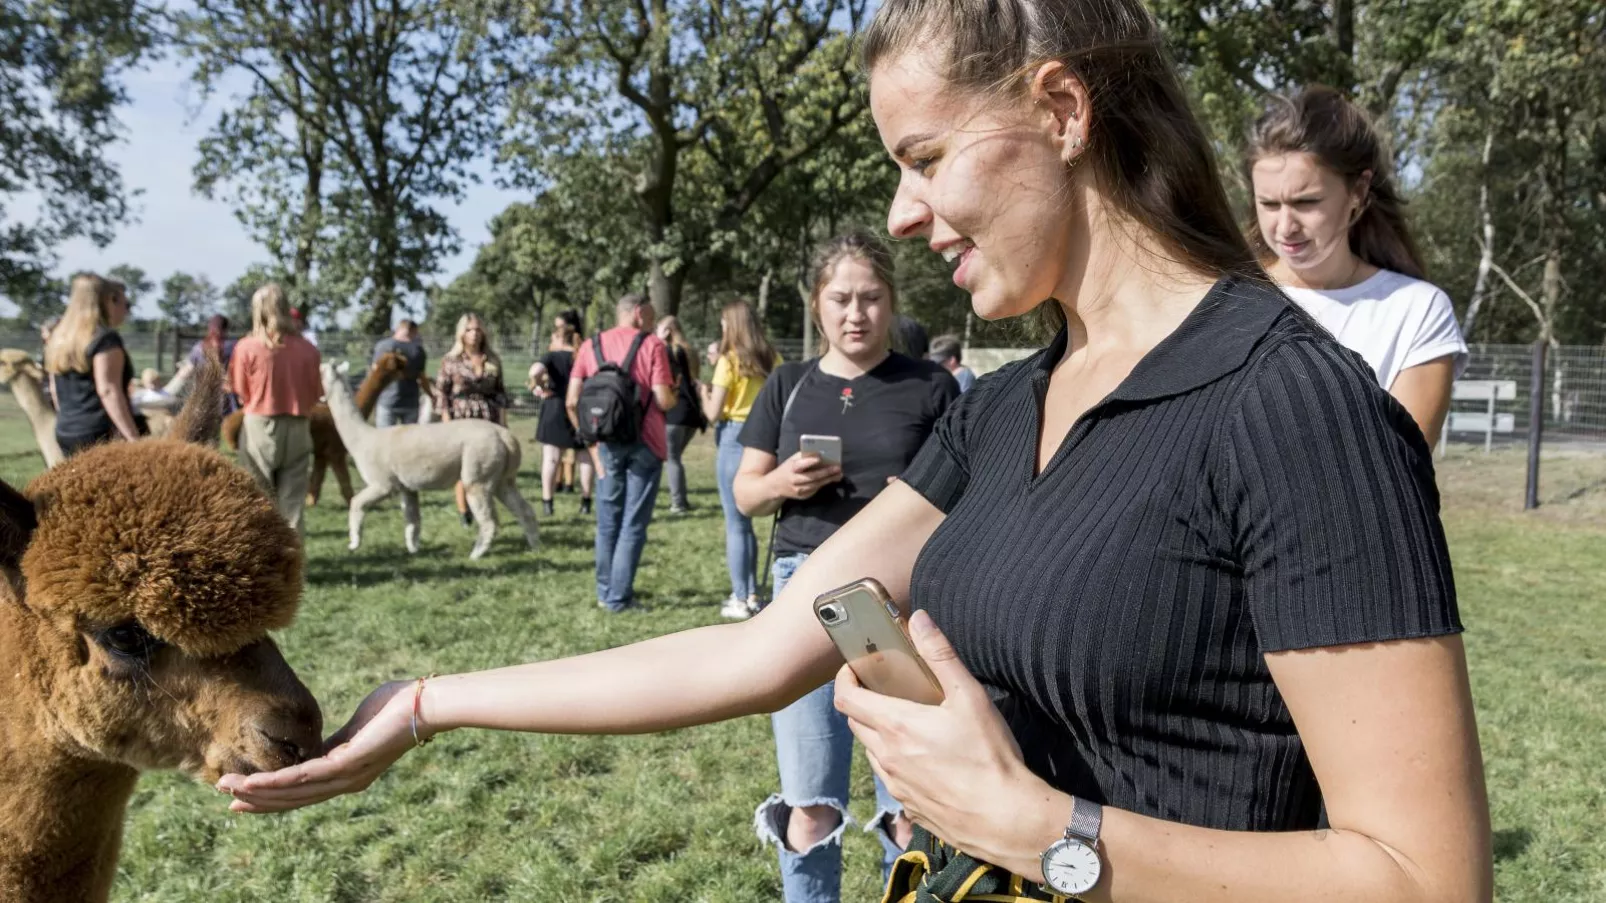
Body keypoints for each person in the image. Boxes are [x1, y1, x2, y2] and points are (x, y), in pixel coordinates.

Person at [220, 6, 1492, 903]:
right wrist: (432, 704)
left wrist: (1046, 832)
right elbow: (761, 649)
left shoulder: (1298, 411)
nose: (898, 212)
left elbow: (1425, 880)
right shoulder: (1000, 410)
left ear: (1056, 108)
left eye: (924, 157)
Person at [734, 231, 959, 902]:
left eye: (870, 298)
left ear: (891, 302)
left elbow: (972, 494)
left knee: (910, 800)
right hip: (802, 586)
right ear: (816, 305)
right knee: (811, 798)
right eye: (840, 299)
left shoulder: (932, 385)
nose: (855, 313)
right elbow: (746, 491)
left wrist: (920, 499)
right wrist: (784, 483)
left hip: (902, 594)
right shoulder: (787, 383)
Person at [1248, 87, 1467, 448]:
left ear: (1359, 192)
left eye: (1307, 202)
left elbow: (1403, 470)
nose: (1285, 227)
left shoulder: (1417, 311)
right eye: (1269, 204)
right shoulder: (1222, 297)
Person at [564, 293, 675, 613]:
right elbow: (663, 399)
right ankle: (619, 597)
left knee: (607, 521)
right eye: (651, 316)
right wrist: (677, 390)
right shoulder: (653, 345)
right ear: (638, 314)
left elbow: (572, 401)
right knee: (633, 523)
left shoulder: (590, 345)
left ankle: (605, 591)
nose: (653, 322)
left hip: (606, 443)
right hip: (646, 443)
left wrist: (592, 447)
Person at [702, 299, 784, 619]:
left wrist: (704, 392)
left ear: (733, 325)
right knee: (748, 522)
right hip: (766, 437)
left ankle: (740, 596)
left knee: (737, 524)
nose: (722, 329)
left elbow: (712, 413)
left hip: (734, 437)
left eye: (724, 323)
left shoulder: (728, 361)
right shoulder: (772, 357)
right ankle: (753, 592)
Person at [228, 283, 322, 532]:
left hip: (259, 425)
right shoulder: (309, 350)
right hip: (299, 426)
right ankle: (294, 567)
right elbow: (315, 395)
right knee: (292, 507)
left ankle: (262, 566)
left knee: (257, 501)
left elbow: (240, 391)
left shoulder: (246, 347)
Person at [44, 273, 147, 456]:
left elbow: (54, 390)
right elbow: (107, 390)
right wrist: (133, 438)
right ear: (107, 300)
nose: (126, 310)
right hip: (100, 434)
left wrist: (70, 421)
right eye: (123, 303)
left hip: (66, 431)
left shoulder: (60, 338)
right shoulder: (105, 339)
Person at [434, 313, 510, 527]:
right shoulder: (451, 360)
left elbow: (501, 393)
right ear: (461, 333)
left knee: (487, 467)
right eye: (469, 330)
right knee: (463, 467)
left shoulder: (493, 359)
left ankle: (484, 509)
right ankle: (464, 511)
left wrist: (503, 424)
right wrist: (447, 423)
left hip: (487, 416)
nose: (474, 334)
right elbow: (442, 393)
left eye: (477, 329)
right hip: (462, 417)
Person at [528, 317, 594, 516]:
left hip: (555, 407)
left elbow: (534, 371)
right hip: (580, 408)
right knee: (584, 458)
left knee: (551, 458)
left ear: (558, 338)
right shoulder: (583, 355)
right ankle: (586, 502)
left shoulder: (552, 356)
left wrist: (540, 385)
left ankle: (548, 503)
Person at [655, 314, 706, 514]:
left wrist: (658, 340)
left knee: (672, 458)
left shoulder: (669, 351)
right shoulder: (690, 351)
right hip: (692, 414)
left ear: (667, 331)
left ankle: (678, 502)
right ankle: (680, 498)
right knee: (674, 457)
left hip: (676, 412)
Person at [372, 319, 429, 427]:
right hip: (411, 403)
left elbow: (374, 373)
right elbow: (422, 378)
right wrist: (431, 395)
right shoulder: (418, 350)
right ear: (411, 330)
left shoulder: (382, 346)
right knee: (409, 441)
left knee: (384, 440)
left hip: (386, 401)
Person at [187, 314, 240, 413]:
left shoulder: (198, 348)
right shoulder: (234, 346)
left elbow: (187, 370)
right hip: (228, 395)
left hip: (205, 393)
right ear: (225, 329)